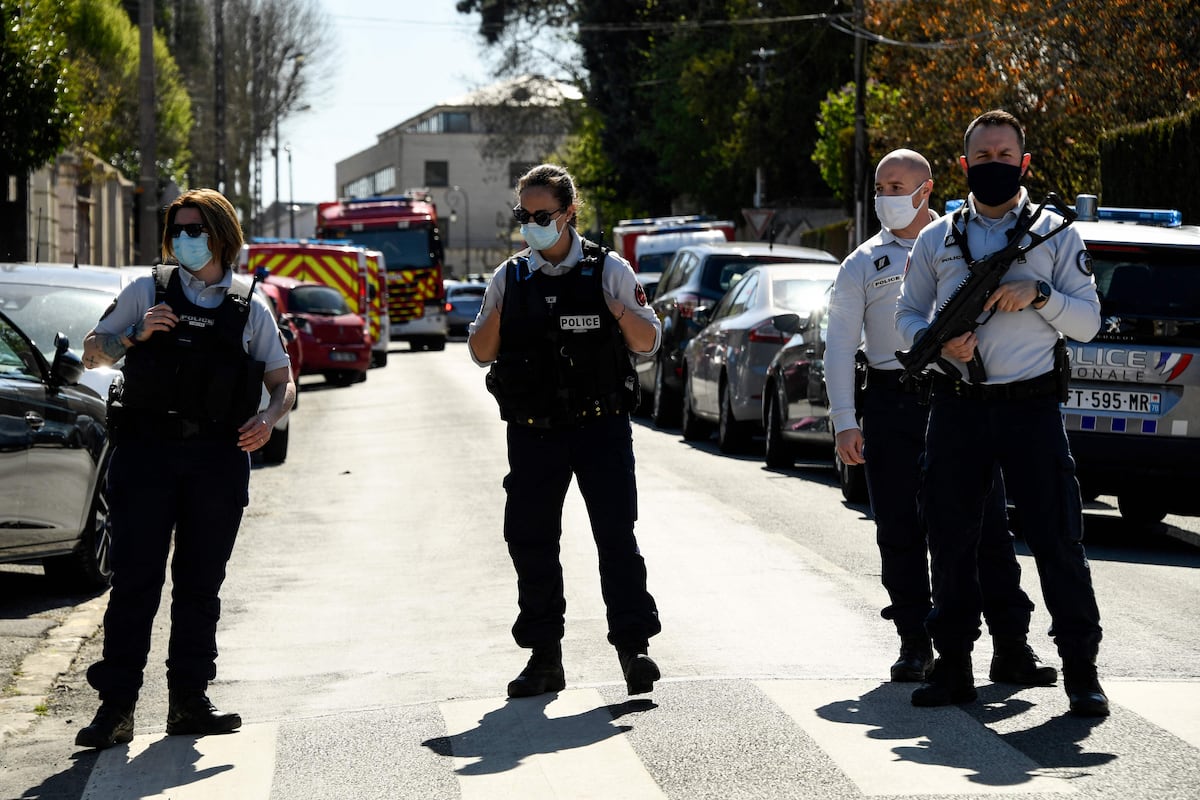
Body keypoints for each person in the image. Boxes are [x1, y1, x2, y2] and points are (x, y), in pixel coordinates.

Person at [896, 110, 1108, 716]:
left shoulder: (1057, 236)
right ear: (964, 166)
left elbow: (1090, 324)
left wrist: (1041, 296)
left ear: (1025, 162)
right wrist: (940, 344)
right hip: (959, 408)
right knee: (951, 538)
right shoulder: (937, 239)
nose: (995, 165)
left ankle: (1081, 672)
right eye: (982, 157)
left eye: (1004, 154)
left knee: (1057, 538)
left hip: (1031, 407)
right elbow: (906, 320)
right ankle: (954, 668)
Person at [75, 189, 297, 748]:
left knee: (201, 585)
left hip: (217, 459)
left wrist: (269, 419)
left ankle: (189, 703)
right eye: (177, 229)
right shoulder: (147, 289)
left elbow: (282, 381)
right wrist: (134, 334)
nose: (184, 239)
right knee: (134, 583)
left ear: (221, 235)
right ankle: (116, 709)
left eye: (195, 229)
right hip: (146, 454)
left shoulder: (251, 305)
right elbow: (91, 353)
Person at [827, 148, 1054, 688]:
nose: (885, 196)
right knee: (900, 528)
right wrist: (844, 420)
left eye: (896, 185)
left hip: (961, 398)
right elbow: (838, 346)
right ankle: (915, 643)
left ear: (925, 189)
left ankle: (1010, 646)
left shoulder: (961, 243)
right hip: (892, 400)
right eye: (879, 186)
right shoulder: (861, 262)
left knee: (988, 528)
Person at [468, 164, 663, 698]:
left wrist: (619, 310)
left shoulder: (607, 268)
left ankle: (633, 649)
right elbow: (481, 352)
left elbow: (648, 343)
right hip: (533, 433)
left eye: (542, 215)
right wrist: (496, 317)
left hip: (600, 426)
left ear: (569, 212)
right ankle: (544, 658)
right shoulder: (510, 277)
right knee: (531, 542)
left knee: (616, 538)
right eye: (524, 216)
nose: (532, 224)